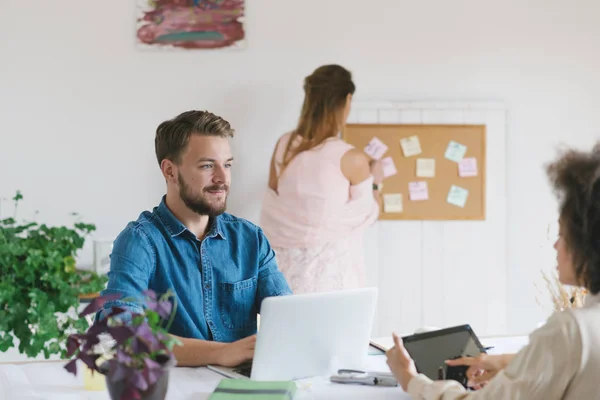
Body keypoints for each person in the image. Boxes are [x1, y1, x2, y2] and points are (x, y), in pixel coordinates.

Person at [385, 143, 600, 399]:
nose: (555, 245)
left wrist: (410, 379)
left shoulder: (571, 330)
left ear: (587, 243)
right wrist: (508, 363)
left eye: (562, 234)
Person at [99, 110, 292, 367]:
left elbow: (288, 317)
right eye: (207, 166)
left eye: (227, 165)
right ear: (169, 171)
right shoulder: (140, 242)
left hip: (244, 389)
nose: (223, 178)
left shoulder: (250, 239)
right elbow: (120, 331)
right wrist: (220, 353)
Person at [259, 64, 384, 294]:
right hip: (332, 278)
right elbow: (368, 214)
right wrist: (376, 180)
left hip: (284, 276)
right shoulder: (352, 159)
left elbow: (274, 206)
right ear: (347, 101)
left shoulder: (284, 146)